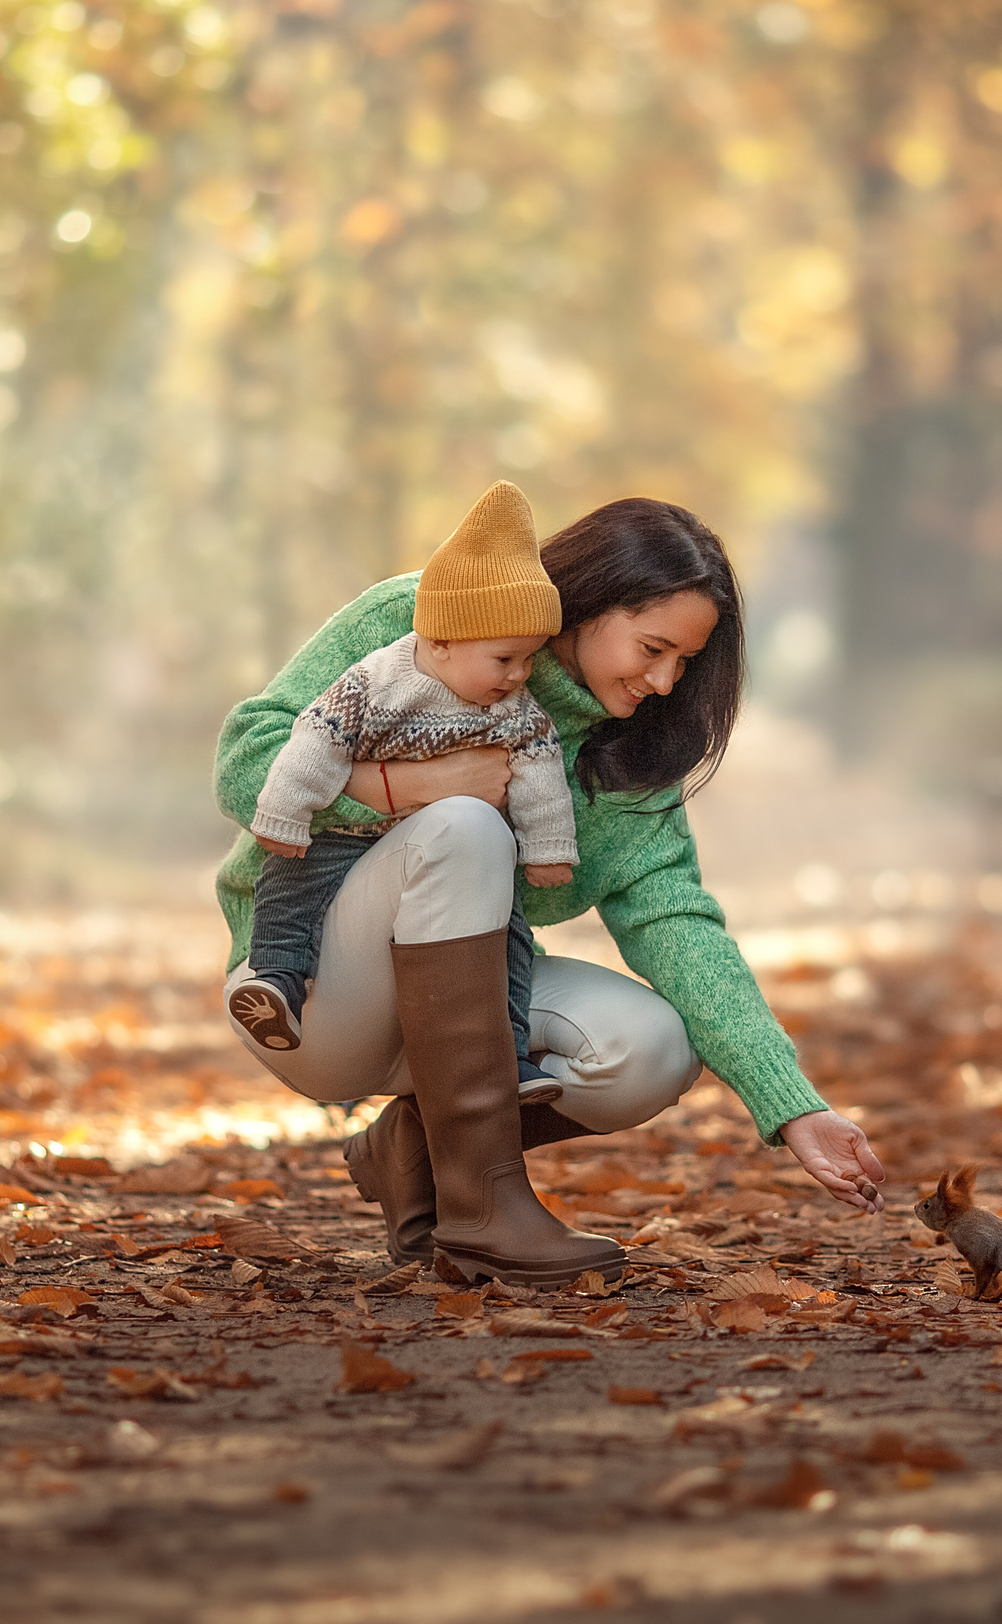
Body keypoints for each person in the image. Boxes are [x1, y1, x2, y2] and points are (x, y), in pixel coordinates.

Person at [213, 496, 888, 1286]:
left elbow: (676, 920)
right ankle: (484, 1211)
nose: (667, 682)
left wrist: (793, 1105)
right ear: (590, 602)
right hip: (312, 988)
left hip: (465, 1009)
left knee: (654, 1049)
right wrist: (415, 787)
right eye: (653, 647)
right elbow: (245, 758)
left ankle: (421, 1151)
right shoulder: (432, 618)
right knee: (468, 825)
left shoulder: (633, 749)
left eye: (687, 663)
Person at [230, 482, 575, 1113]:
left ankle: (511, 1053)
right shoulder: (377, 682)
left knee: (511, 940)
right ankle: (276, 979)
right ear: (442, 640)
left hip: (448, 879)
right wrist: (285, 814)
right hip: (349, 844)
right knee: (289, 878)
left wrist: (549, 848)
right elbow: (314, 743)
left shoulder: (514, 708)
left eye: (529, 660)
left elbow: (540, 771)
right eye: (505, 659)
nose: (520, 676)